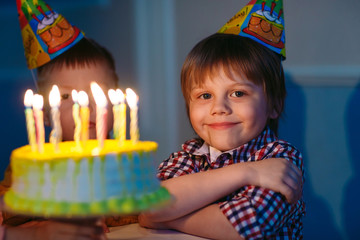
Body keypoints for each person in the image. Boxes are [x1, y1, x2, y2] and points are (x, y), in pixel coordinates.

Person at [138, 33, 305, 239]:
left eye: (238, 93)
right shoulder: (190, 155)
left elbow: (244, 228)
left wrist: (167, 218)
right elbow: (151, 205)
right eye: (205, 96)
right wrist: (247, 172)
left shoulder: (280, 159)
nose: (219, 108)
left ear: (275, 105)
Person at [0, 37, 138, 229]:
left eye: (97, 92)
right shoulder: (29, 167)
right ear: (46, 113)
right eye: (65, 96)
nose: (85, 106)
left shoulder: (130, 160)